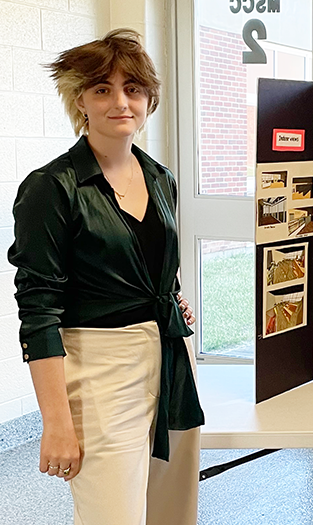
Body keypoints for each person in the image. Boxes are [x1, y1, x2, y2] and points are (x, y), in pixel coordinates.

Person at [8, 29, 204, 525]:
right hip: (97, 370)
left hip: (170, 358)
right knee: (110, 516)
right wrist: (56, 422)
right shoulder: (52, 188)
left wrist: (170, 299)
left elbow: (155, 265)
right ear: (81, 99)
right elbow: (37, 312)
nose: (120, 101)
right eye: (102, 89)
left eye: (133, 89)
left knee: (172, 510)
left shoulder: (161, 178)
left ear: (149, 99)